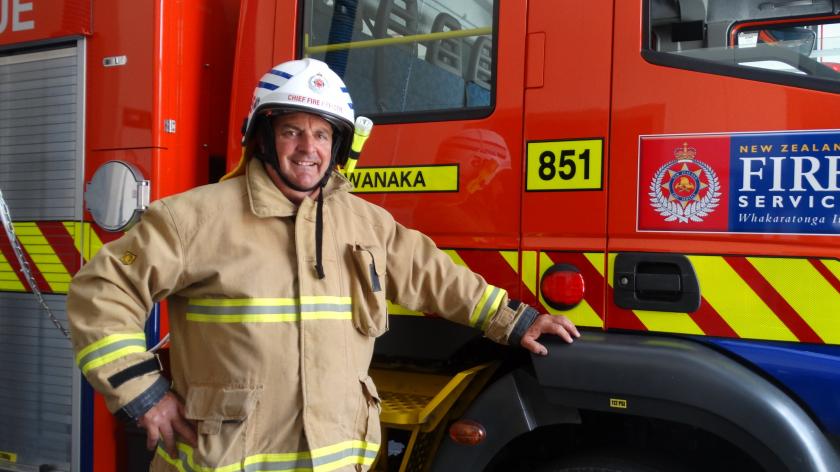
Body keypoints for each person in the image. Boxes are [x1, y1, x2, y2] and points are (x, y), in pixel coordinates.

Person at [67, 58, 579, 471]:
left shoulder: (364, 222)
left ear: (338, 147)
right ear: (263, 137)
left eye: (322, 134)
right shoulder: (193, 218)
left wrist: (516, 320)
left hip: (335, 458)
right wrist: (144, 393)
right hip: (222, 458)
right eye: (293, 131)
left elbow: (433, 275)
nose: (308, 148)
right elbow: (99, 294)